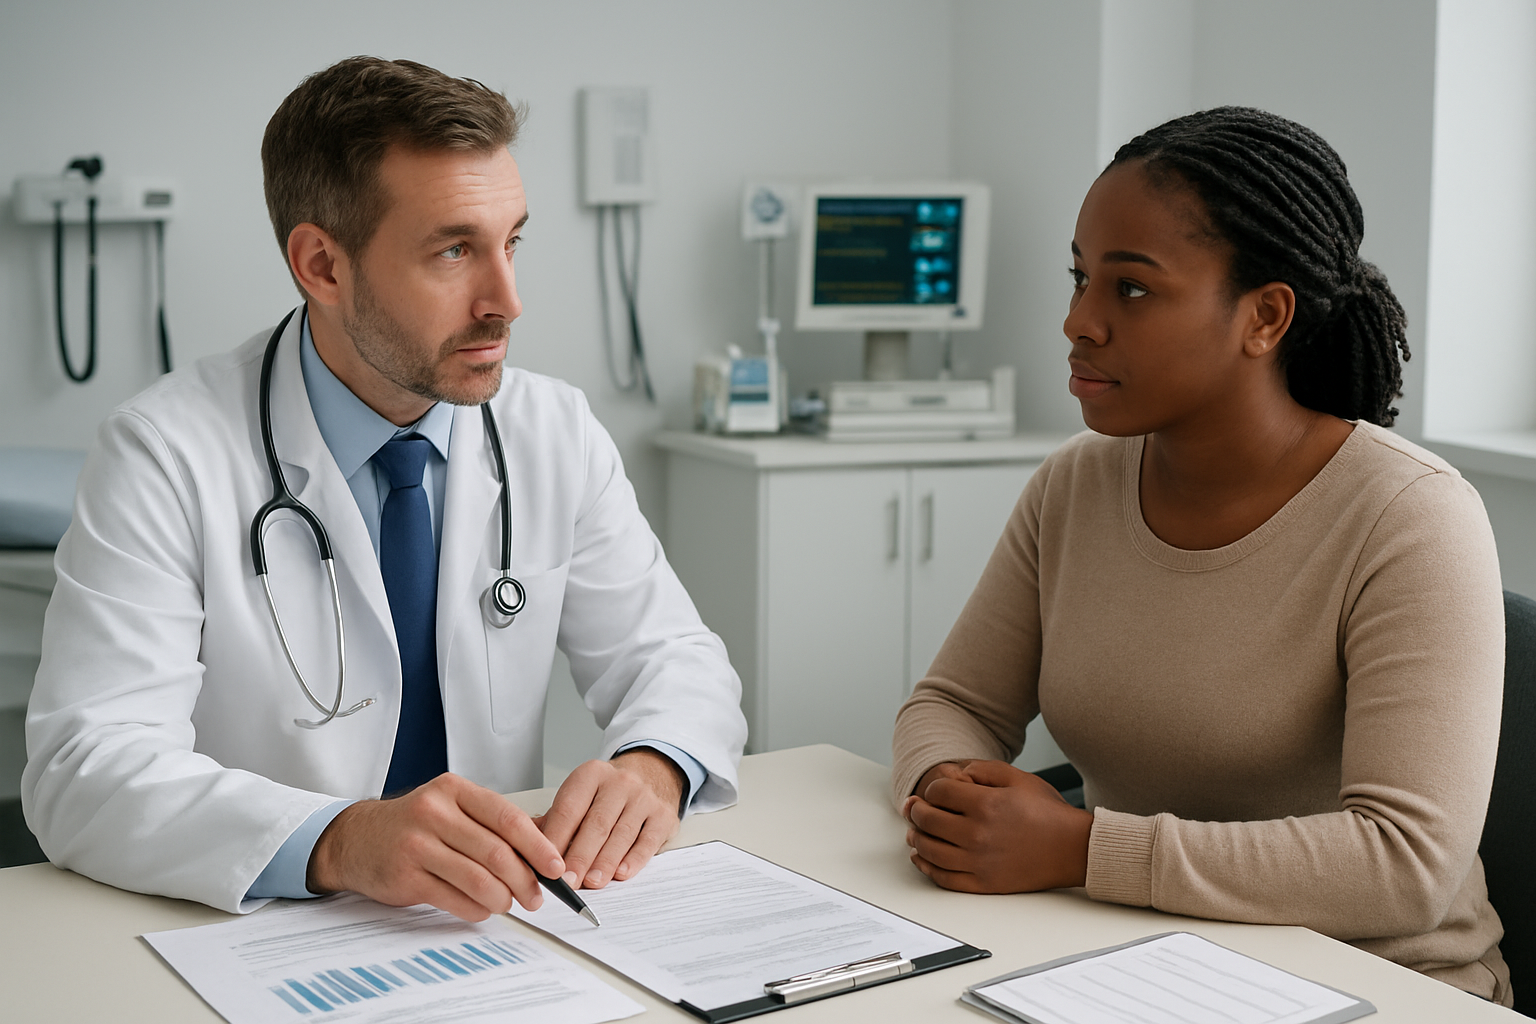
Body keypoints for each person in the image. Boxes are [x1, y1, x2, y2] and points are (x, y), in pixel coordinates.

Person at [22, 57, 747, 920]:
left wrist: (656, 765)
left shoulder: (553, 430)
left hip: (502, 928)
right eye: (454, 251)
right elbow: (84, 768)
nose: (507, 301)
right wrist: (339, 840)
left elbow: (673, 657)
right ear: (322, 266)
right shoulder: (164, 453)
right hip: (264, 932)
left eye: (512, 242)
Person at [892, 107, 1512, 1006]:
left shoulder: (1410, 516)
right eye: (1080, 278)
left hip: (1383, 985)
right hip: (1139, 959)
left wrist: (1081, 848)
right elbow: (954, 702)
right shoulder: (1075, 484)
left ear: (1265, 316)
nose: (1079, 321)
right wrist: (951, 796)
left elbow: (1404, 863)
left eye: (1131, 289)